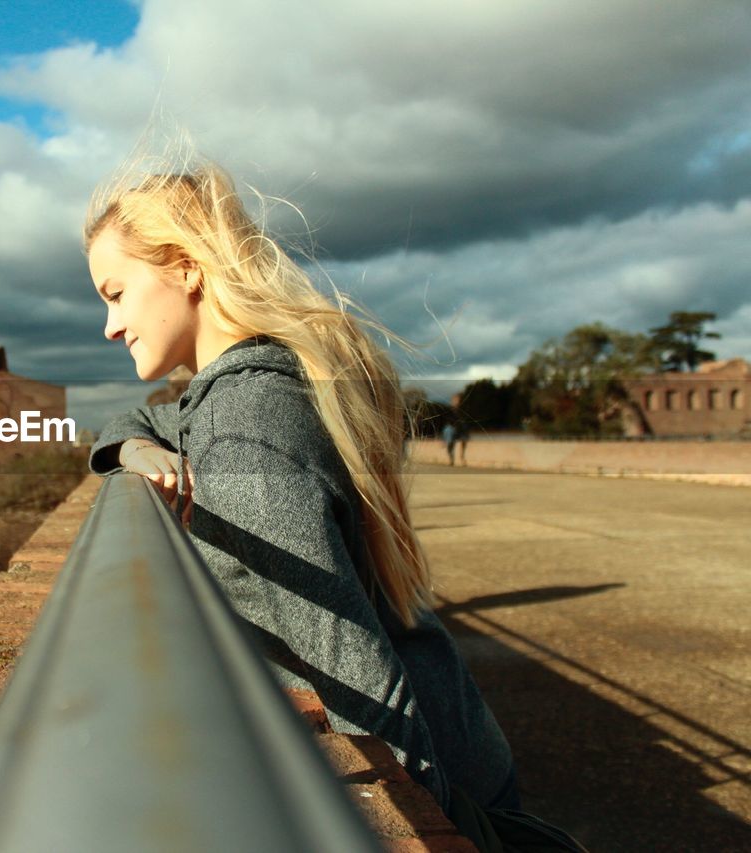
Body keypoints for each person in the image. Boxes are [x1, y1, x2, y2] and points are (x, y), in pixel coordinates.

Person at [84, 161, 583, 852]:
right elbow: (142, 419)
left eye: (115, 293)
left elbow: (354, 671)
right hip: (464, 739)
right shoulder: (251, 385)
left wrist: (418, 824)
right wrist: (131, 450)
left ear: (186, 266)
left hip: (437, 781)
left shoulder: (244, 420)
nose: (110, 325)